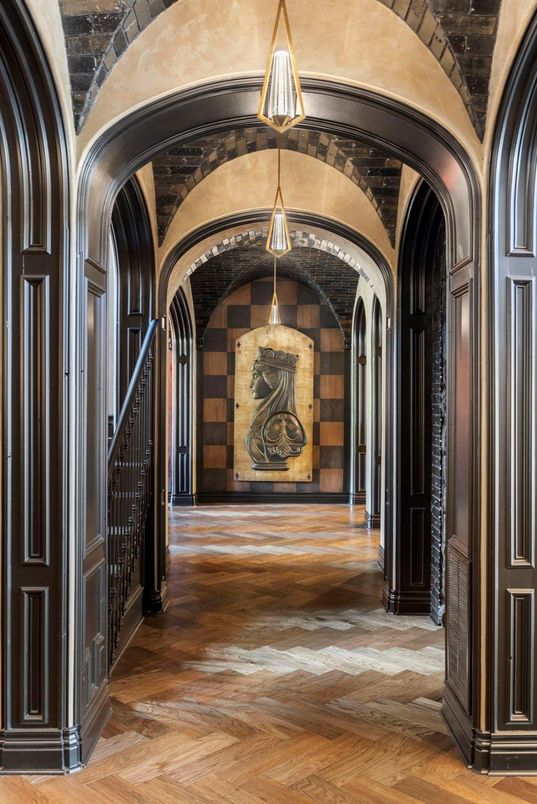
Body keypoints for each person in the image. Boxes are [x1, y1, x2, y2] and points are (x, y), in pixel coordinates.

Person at [245, 345, 306, 470]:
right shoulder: (269, 417)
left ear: (274, 379)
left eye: (256, 376)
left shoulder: (282, 421)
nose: (250, 385)